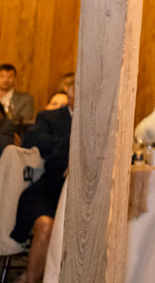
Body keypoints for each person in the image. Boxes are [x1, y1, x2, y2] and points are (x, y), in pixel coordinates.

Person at [9, 74, 72, 283]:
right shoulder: (51, 117)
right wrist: (64, 149)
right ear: (71, 92)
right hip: (47, 190)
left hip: (72, 196)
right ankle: (29, 278)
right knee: (47, 226)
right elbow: (32, 139)